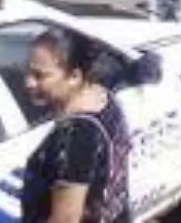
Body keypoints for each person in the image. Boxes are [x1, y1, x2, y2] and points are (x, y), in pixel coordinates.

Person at [20, 27, 133, 223]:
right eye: (28, 72)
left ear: (74, 76)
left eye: (40, 76)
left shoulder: (74, 137)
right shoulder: (102, 96)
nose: (28, 82)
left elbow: (66, 219)